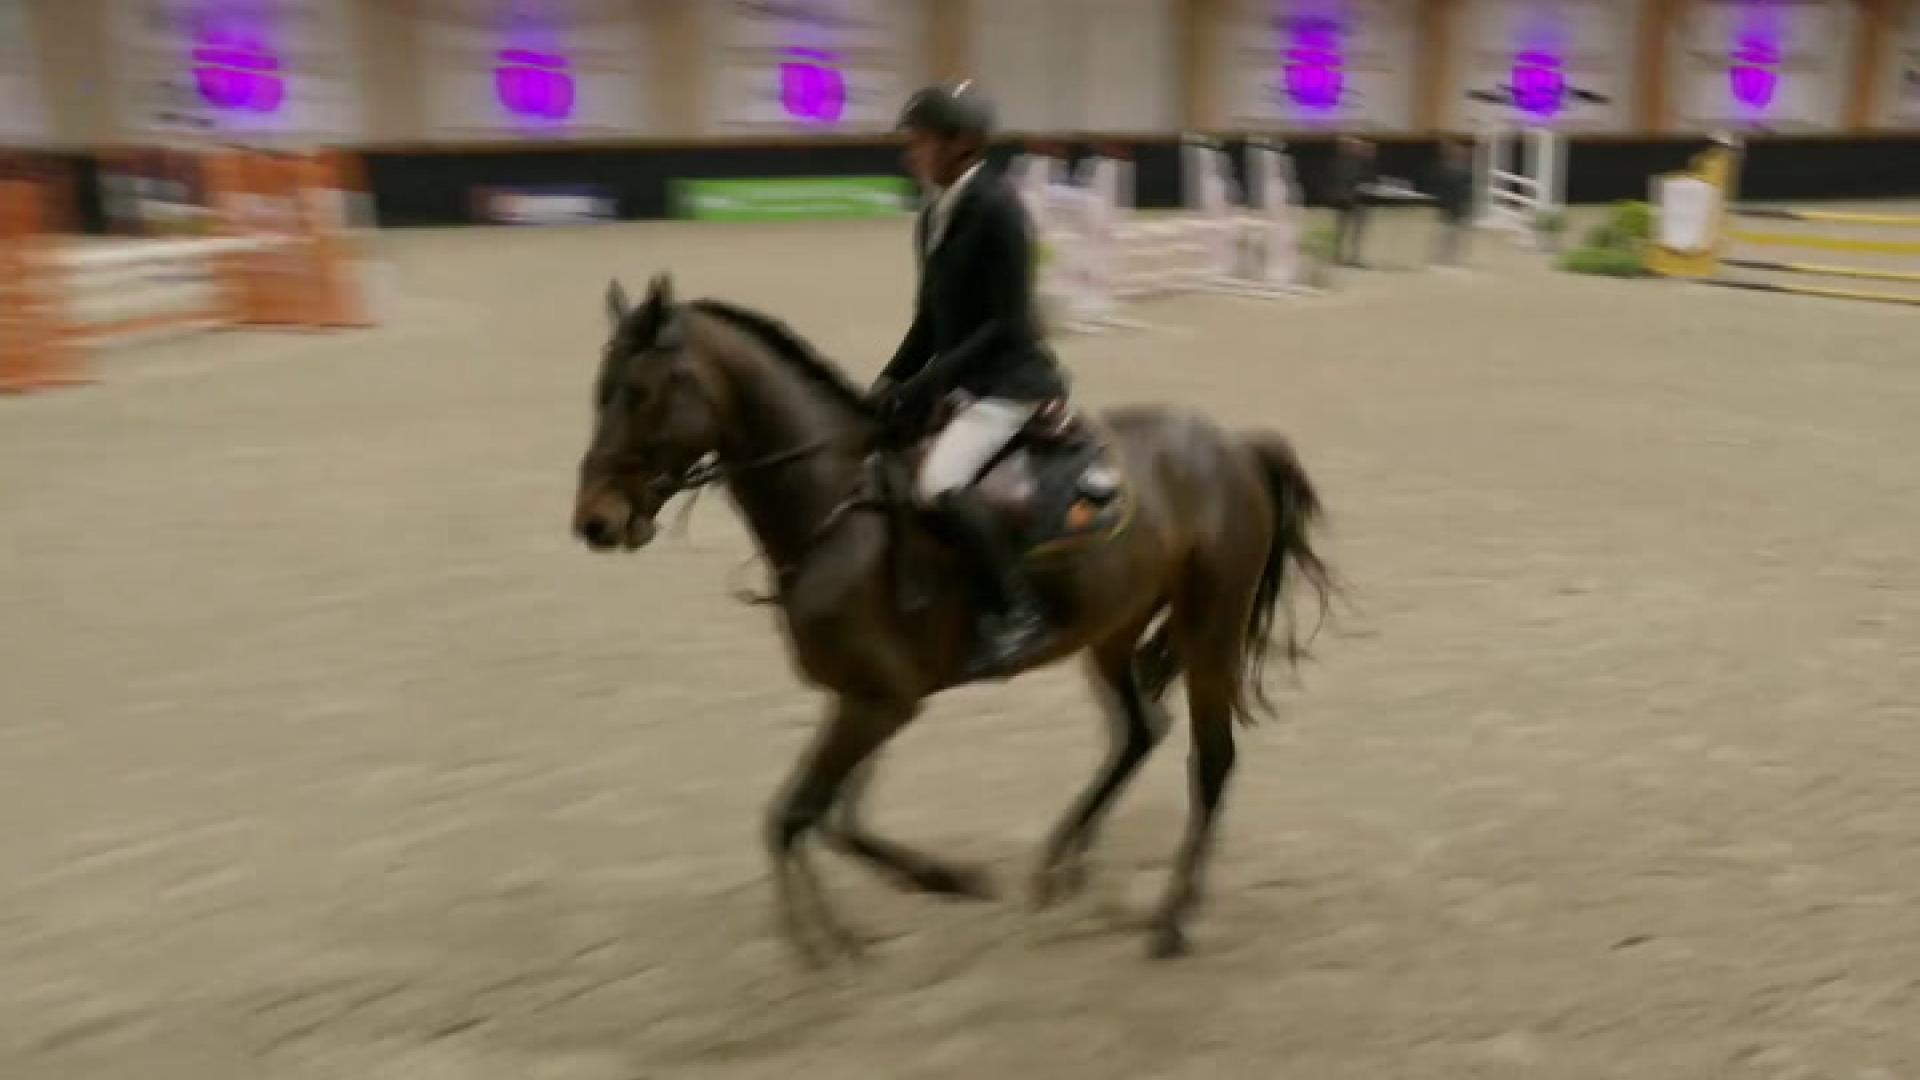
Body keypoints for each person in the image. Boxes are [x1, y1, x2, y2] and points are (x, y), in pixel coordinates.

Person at [868, 80, 1068, 681]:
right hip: (963, 379)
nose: (911, 152)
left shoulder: (1000, 209)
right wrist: (888, 381)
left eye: (922, 140)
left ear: (962, 144)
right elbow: (928, 322)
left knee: (940, 482)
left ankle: (1016, 612)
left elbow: (1006, 323)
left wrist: (930, 382)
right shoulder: (933, 213)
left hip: (1010, 382)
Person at [1328, 135, 1377, 267]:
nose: (1357, 148)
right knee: (1344, 231)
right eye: (1354, 146)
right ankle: (1341, 256)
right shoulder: (1343, 163)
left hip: (1358, 201)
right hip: (1348, 201)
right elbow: (1342, 181)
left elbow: (1369, 181)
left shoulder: (1363, 163)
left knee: (1353, 232)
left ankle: (1350, 257)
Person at [1429, 136, 1474, 268]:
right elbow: (1438, 186)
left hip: (1456, 206)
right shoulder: (1443, 168)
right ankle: (1440, 256)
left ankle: (1451, 257)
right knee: (1444, 233)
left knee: (1454, 234)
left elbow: (1466, 191)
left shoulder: (1465, 170)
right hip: (1447, 205)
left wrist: (1466, 206)